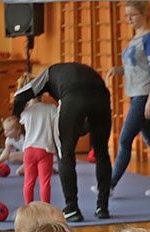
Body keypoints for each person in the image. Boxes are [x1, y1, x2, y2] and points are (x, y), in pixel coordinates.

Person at [14, 63, 113, 222]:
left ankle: (72, 208)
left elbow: (21, 94)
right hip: (101, 95)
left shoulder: (47, 74)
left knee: (65, 153)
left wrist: (15, 117)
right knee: (101, 152)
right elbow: (82, 122)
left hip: (74, 95)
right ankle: (103, 207)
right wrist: (83, 128)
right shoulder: (66, 72)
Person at [105, 0, 150, 198]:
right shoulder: (135, 38)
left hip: (145, 94)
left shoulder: (149, 38)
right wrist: (116, 70)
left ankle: (109, 184)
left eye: (133, 15)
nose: (129, 20)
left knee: (126, 138)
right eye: (127, 16)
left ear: (144, 14)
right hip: (135, 93)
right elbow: (134, 67)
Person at [12, 79, 58, 204]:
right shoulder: (51, 108)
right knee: (45, 182)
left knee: (29, 181)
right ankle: (46, 207)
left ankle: (28, 206)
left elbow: (21, 121)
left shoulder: (26, 112)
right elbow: (55, 126)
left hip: (29, 149)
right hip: (45, 148)